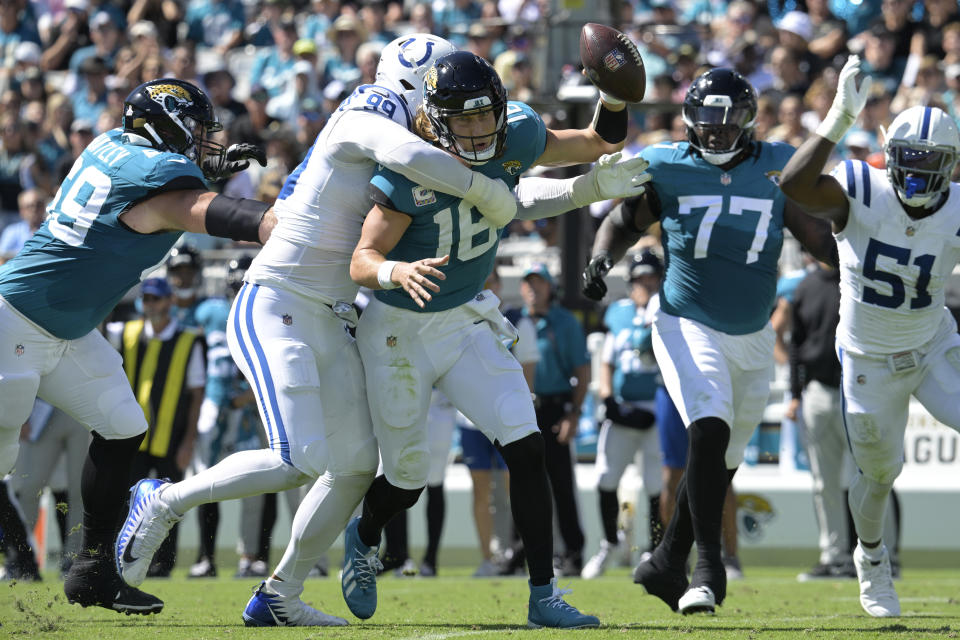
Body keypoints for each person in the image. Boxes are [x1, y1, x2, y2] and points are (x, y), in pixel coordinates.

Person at [113, 34, 529, 628]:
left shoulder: (416, 134)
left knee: (357, 465)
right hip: (277, 299)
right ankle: (162, 499)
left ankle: (280, 593)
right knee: (297, 458)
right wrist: (488, 191)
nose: (451, 111)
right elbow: (413, 159)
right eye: (439, 95)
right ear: (413, 88)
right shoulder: (375, 108)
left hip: (330, 312)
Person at [347, 50, 649, 629]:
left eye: (487, 117)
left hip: (464, 319)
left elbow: (594, 142)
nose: (480, 130)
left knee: (527, 445)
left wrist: (613, 99)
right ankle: (364, 540)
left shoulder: (517, 133)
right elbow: (363, 259)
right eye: (462, 120)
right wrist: (394, 271)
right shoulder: (411, 166)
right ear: (435, 120)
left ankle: (543, 594)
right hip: (398, 330)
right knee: (407, 477)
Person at [0, 77, 270, 615]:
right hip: (14, 326)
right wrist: (295, 222)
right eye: (193, 129)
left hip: (68, 330)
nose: (201, 141)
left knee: (123, 426)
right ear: (164, 125)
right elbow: (212, 215)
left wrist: (205, 172)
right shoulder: (159, 176)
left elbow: (158, 192)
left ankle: (94, 571)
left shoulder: (108, 145)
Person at [581, 67, 836, 615]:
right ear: (690, 121)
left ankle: (667, 558)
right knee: (710, 428)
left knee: (723, 460)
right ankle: (708, 569)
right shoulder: (668, 165)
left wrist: (860, 268)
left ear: (749, 121)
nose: (718, 133)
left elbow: (813, 233)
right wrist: (603, 257)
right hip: (684, 318)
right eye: (708, 123)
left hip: (751, 334)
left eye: (729, 123)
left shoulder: (776, 164)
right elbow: (624, 220)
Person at [779, 55, 960, 617]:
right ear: (890, 155)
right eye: (910, 160)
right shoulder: (861, 185)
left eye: (931, 163)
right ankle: (872, 562)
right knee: (879, 475)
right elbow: (793, 183)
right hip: (867, 359)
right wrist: (836, 118)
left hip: (932, 344)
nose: (917, 175)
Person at [105, 276, 206, 578]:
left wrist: (189, 442)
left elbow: (196, 393)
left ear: (169, 301)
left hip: (171, 438)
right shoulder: (125, 333)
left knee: (170, 505)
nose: (150, 305)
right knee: (126, 501)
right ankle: (123, 558)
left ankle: (164, 563)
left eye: (156, 299)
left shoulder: (189, 339)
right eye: (146, 298)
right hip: (133, 437)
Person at [582, 250, 665, 580]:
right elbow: (608, 359)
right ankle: (610, 543)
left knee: (657, 484)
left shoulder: (669, 311)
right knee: (605, 478)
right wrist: (607, 397)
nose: (645, 284)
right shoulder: (617, 313)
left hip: (658, 407)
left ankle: (654, 548)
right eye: (640, 279)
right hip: (623, 407)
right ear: (630, 282)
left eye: (651, 278)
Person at [162, 245, 234, 580]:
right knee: (160, 482)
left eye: (188, 271)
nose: (183, 278)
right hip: (161, 410)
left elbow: (220, 364)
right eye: (178, 272)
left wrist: (217, 402)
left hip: (200, 403)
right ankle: (159, 558)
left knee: (205, 480)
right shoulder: (154, 304)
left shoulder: (213, 311)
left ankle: (207, 556)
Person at [516, 262, 590, 577]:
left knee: (560, 484)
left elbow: (582, 372)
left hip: (555, 409)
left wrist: (573, 412)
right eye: (528, 283)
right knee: (522, 484)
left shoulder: (565, 322)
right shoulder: (511, 320)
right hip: (521, 409)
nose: (533, 289)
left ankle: (572, 552)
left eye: (539, 283)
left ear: (550, 287)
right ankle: (520, 552)